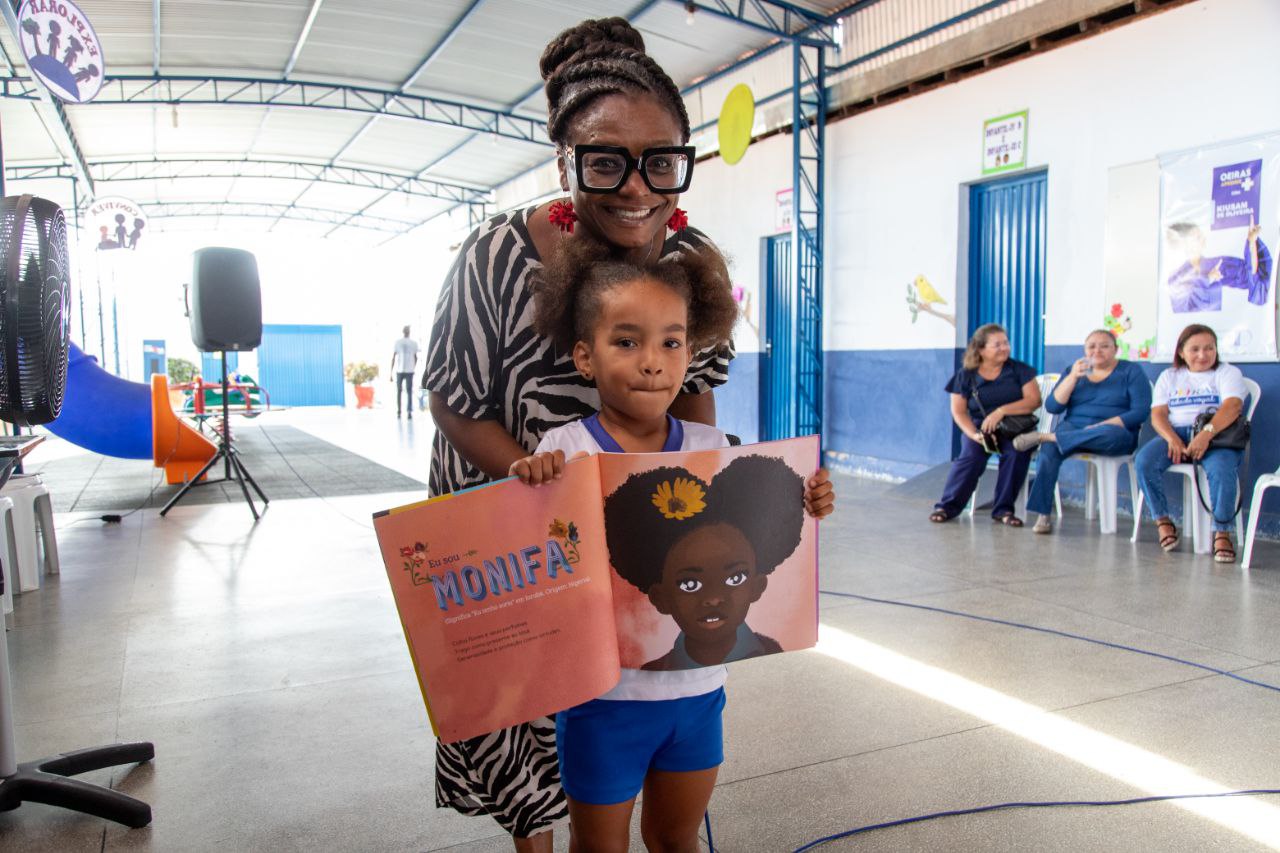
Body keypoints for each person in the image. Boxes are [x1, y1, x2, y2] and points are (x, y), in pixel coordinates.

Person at [423, 18, 735, 850]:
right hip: (516, 529)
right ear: (565, 162)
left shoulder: (688, 255)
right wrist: (551, 486)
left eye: (660, 161)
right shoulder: (495, 256)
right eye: (606, 161)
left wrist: (692, 500)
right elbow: (453, 402)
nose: (637, 188)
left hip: (631, 545)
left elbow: (696, 395)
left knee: (625, 704)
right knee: (529, 733)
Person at [509, 235, 834, 852]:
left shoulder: (712, 447)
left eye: (671, 342)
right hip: (602, 702)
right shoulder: (563, 450)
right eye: (626, 342)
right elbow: (532, 567)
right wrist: (530, 487)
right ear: (585, 357)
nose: (653, 362)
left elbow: (761, 531)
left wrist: (809, 499)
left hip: (699, 697)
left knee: (676, 839)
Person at [604, 455, 803, 671]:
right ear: (660, 598)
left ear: (758, 586)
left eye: (735, 578)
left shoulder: (774, 652)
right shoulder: (652, 670)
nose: (713, 598)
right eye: (689, 584)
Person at [1015, 329, 1152, 534]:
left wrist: (1104, 426)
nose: (1097, 351)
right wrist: (1072, 377)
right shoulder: (1073, 370)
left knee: (1099, 435)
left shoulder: (1131, 371)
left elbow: (1141, 411)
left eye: (1104, 346)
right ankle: (1043, 515)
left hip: (1113, 432)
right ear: (1084, 350)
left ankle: (1050, 436)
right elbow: (1053, 407)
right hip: (1074, 427)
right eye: (1092, 346)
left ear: (1115, 349)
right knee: (1049, 452)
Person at [1135, 324, 1248, 562]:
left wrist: (1206, 434)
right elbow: (1158, 415)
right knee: (1144, 461)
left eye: (1209, 348)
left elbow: (1232, 407)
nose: (1203, 355)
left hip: (1216, 435)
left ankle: (1222, 532)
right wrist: (1171, 438)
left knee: (1222, 469)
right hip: (1176, 433)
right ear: (1181, 352)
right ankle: (1163, 521)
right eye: (1195, 349)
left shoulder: (1227, 372)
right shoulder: (1169, 376)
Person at [930, 323, 1041, 526]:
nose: (1004, 348)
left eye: (1006, 343)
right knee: (970, 456)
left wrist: (1001, 411)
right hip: (980, 428)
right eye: (997, 345)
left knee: (1016, 453)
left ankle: (1003, 510)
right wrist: (974, 434)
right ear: (980, 349)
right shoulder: (966, 375)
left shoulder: (1019, 370)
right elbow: (959, 411)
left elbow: (1034, 401)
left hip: (1015, 427)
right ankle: (947, 507)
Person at [1165, 220, 1270, 313]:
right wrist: (1207, 280)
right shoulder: (1177, 278)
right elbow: (1183, 310)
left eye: (1201, 235)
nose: (1203, 239)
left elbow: (1251, 278)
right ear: (1183, 244)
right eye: (1197, 237)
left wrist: (1252, 242)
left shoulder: (1221, 264)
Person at [390, 325, 418, 419]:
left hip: (407, 370)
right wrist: (391, 373)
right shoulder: (399, 342)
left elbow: (415, 357)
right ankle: (400, 411)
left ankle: (407, 411)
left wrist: (413, 368)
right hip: (401, 370)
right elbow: (394, 357)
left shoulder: (412, 343)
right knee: (401, 391)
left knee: (406, 391)